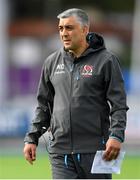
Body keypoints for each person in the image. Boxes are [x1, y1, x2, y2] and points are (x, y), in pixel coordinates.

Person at [23, 8, 129, 179]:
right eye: (61, 28)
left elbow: (119, 105)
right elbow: (43, 106)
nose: (64, 33)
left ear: (85, 29)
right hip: (60, 151)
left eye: (69, 28)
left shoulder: (107, 60)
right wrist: (31, 138)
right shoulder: (51, 62)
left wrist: (116, 136)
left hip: (98, 150)